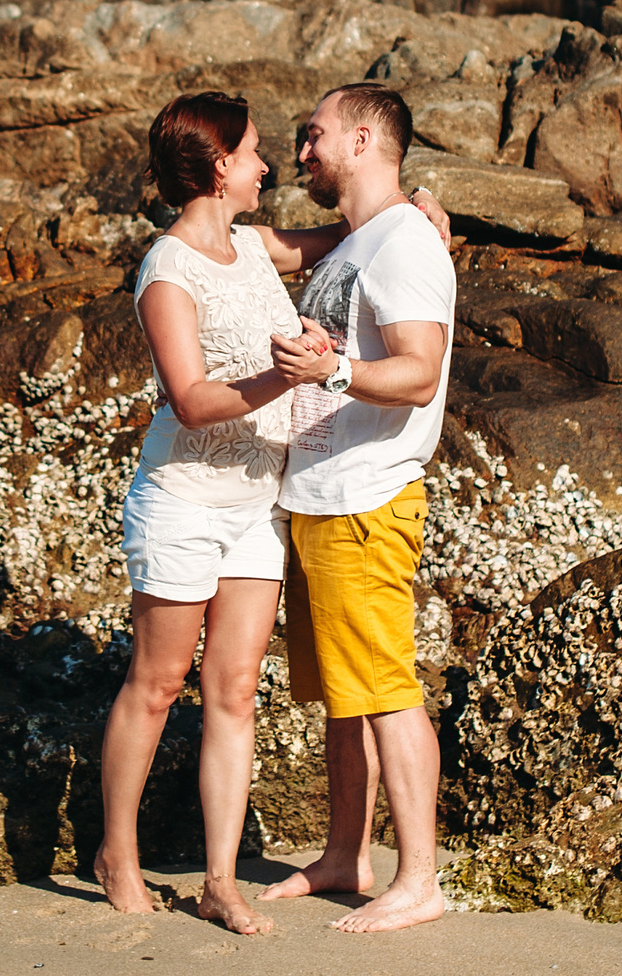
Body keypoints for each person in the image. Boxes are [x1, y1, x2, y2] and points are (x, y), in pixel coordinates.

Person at [96, 91, 443, 936]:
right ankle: (119, 851)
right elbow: (187, 397)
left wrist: (423, 211)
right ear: (219, 168)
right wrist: (292, 378)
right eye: (256, 152)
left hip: (261, 502)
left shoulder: (257, 245)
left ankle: (221, 878)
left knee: (239, 688)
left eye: (294, 142)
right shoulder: (168, 269)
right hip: (187, 498)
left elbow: (357, 246)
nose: (273, 162)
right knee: (157, 681)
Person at [259, 81, 456, 933]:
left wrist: (331, 373)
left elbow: (419, 372)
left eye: (313, 135)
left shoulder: (407, 242)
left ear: (365, 137)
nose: (301, 152)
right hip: (319, 494)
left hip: (369, 495)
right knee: (347, 692)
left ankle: (420, 878)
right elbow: (261, 246)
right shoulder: (358, 238)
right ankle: (347, 852)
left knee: (385, 687)